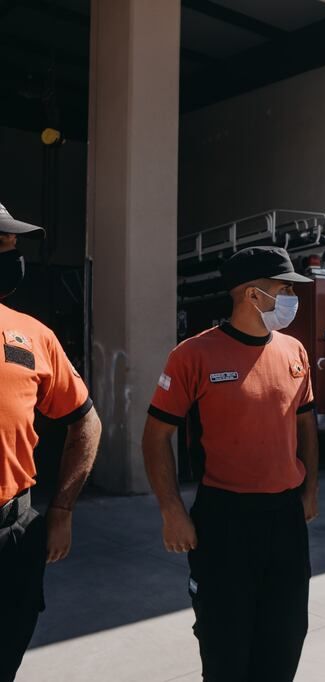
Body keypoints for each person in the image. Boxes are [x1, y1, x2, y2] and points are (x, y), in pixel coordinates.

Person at [143, 246, 319, 682]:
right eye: (283, 289)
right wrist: (172, 511)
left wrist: (309, 490)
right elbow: (155, 435)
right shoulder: (193, 355)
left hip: (284, 520)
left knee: (284, 640)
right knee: (226, 651)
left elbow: (306, 425)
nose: (291, 298)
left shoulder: (294, 351)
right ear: (252, 295)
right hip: (224, 520)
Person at [0, 204, 102, 682]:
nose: (12, 255)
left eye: (14, 246)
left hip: (12, 534)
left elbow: (86, 422)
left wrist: (60, 511)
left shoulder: (32, 334)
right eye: (3, 244)